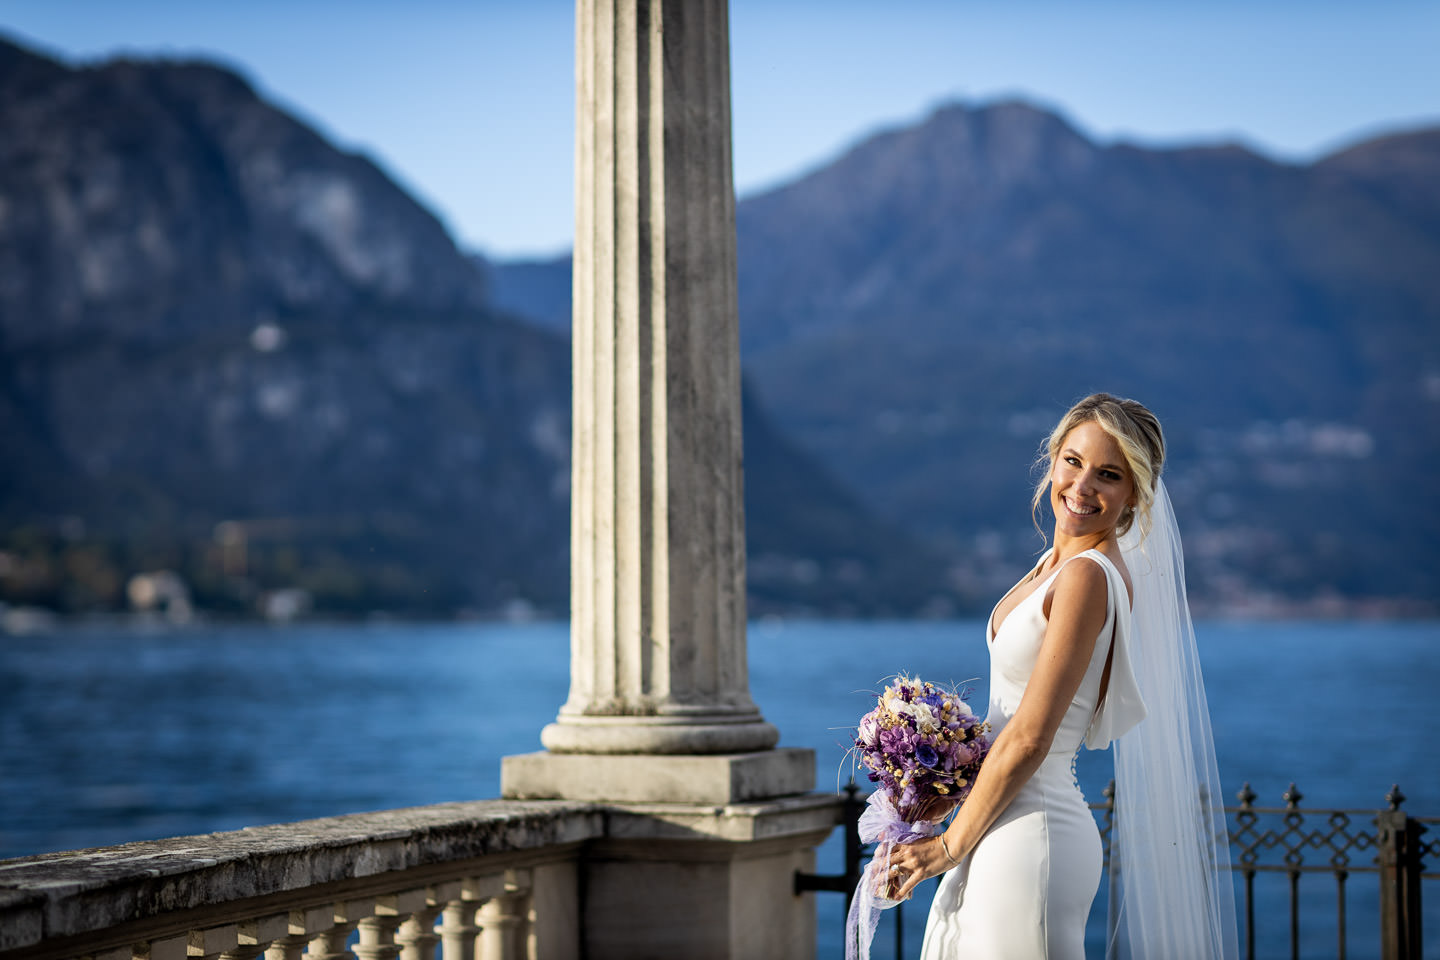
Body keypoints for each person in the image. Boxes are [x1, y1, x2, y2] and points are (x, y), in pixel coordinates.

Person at [885, 393, 1238, 959]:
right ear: (1052, 462)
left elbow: (1030, 737)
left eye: (1108, 474)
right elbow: (1009, 720)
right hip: (996, 821)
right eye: (1072, 462)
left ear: (1133, 496)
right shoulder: (1055, 566)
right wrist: (942, 782)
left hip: (1031, 834)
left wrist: (947, 849)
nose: (1082, 486)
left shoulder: (1085, 578)